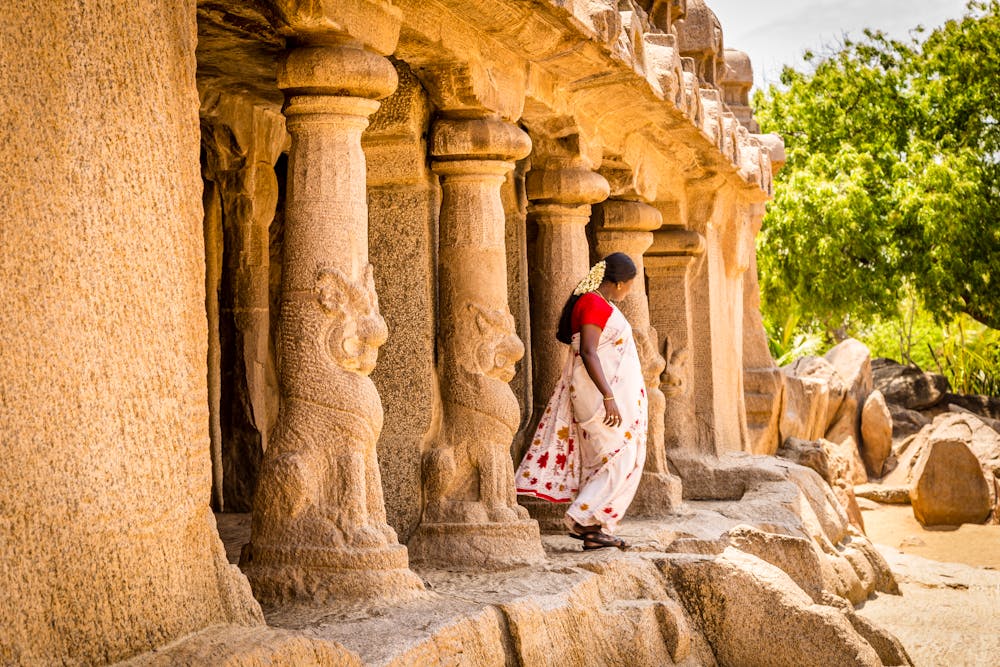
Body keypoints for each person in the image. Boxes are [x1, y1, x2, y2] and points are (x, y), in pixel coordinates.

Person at [515, 252, 647, 550]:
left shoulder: (595, 302)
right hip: (599, 396)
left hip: (599, 395)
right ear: (618, 282)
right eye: (629, 285)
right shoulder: (593, 303)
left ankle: (595, 532)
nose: (629, 292)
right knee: (619, 457)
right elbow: (589, 351)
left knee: (602, 458)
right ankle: (584, 517)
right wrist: (609, 396)